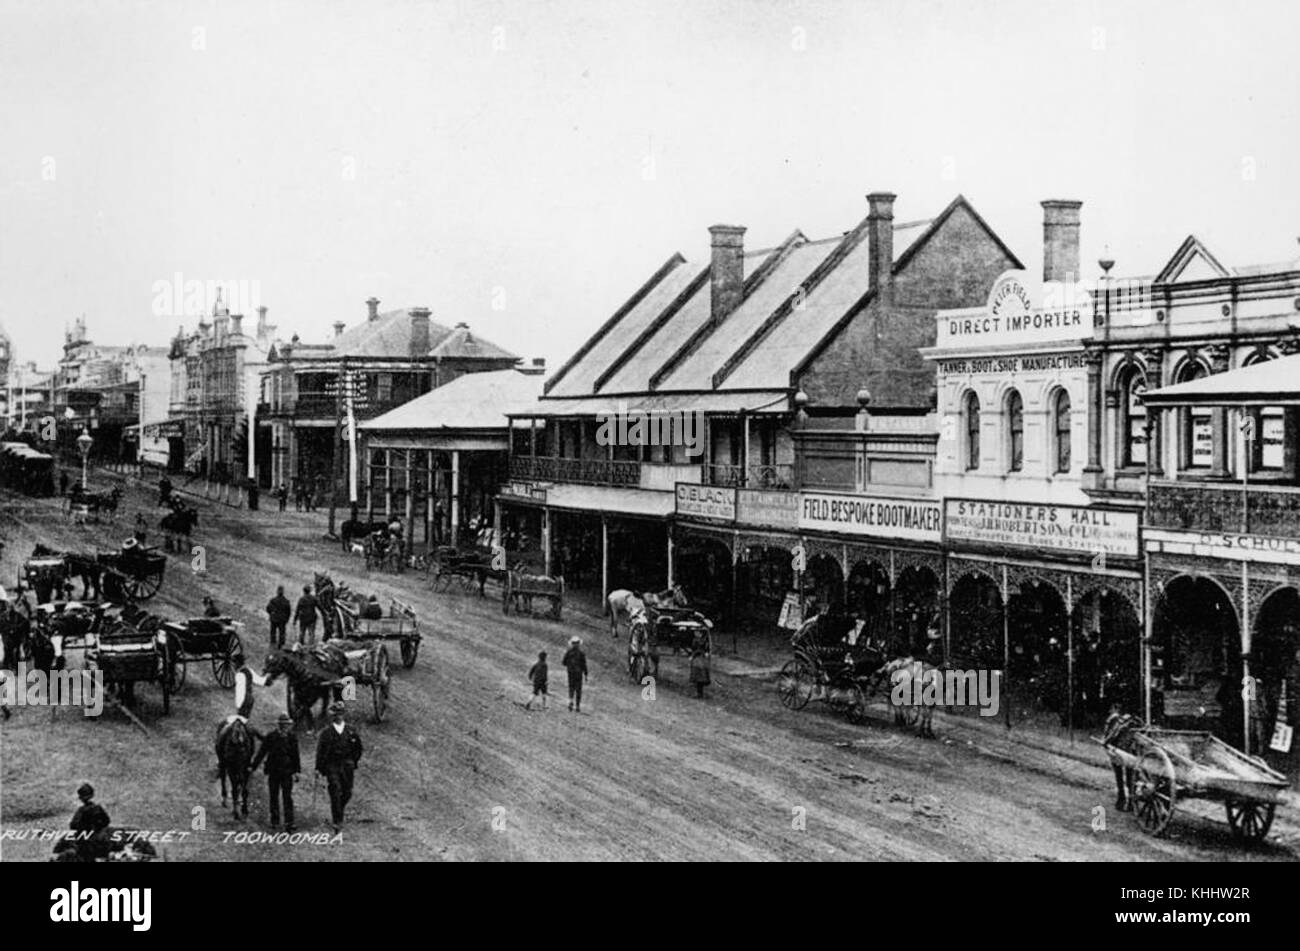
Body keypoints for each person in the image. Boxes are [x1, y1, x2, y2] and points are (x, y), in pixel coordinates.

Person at [315, 701, 363, 832]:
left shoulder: (351, 730)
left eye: (341, 714)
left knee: (347, 792)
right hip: (332, 765)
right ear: (333, 716)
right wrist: (318, 768)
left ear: (344, 715)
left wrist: (353, 762)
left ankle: (339, 809)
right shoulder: (326, 733)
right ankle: (337, 820)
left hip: (347, 765)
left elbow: (358, 748)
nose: (339, 716)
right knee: (335, 790)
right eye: (336, 714)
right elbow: (320, 751)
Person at [250, 713, 301, 831]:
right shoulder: (271, 737)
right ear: (279, 725)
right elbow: (262, 752)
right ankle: (275, 821)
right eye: (283, 725)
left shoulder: (292, 737)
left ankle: (289, 822)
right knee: (274, 796)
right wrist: (253, 766)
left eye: (287, 725)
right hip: (273, 771)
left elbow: (295, 755)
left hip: (287, 771)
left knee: (287, 797)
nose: (285, 727)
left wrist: (297, 771)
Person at [69, 783, 110, 861]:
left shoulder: (81, 810)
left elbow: (73, 825)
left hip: (85, 841)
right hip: (99, 839)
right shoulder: (98, 808)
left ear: (81, 797)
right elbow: (106, 821)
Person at [562, 636, 588, 713]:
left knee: (571, 687)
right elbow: (584, 664)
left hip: (570, 672)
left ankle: (570, 701)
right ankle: (577, 706)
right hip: (579, 673)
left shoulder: (569, 652)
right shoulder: (581, 653)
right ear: (579, 644)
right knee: (578, 690)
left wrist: (569, 665)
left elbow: (563, 662)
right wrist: (586, 674)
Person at [689, 626, 712, 699]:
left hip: (698, 659)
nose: (695, 633)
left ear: (700, 633)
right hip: (701, 659)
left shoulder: (697, 641)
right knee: (700, 676)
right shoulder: (703, 640)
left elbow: (697, 650)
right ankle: (699, 692)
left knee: (699, 675)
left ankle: (699, 693)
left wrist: (692, 656)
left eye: (697, 632)